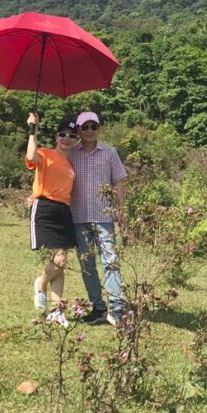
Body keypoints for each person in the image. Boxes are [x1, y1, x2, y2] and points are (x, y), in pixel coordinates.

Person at [67, 111, 128, 326]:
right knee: (87, 264)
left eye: (94, 126)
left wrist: (121, 211)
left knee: (111, 261)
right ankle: (98, 307)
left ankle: (117, 308)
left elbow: (119, 182)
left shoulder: (110, 152)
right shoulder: (71, 154)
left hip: (104, 216)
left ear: (99, 128)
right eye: (85, 127)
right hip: (78, 217)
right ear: (78, 130)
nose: (90, 130)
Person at [24, 113, 78, 327]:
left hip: (64, 211)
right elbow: (31, 156)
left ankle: (57, 310)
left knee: (61, 263)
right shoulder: (45, 153)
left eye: (72, 136)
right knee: (59, 259)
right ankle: (41, 283)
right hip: (45, 208)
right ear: (56, 137)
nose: (66, 138)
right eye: (62, 134)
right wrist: (33, 130)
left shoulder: (71, 164)